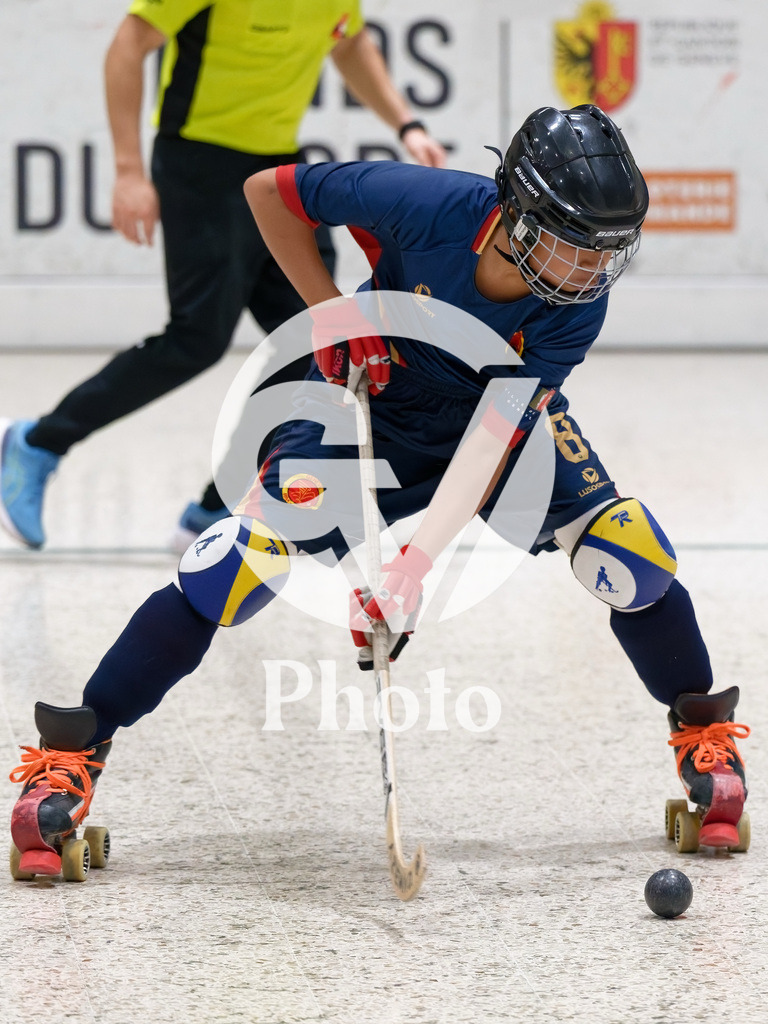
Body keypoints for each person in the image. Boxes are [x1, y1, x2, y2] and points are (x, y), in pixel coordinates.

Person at [8, 105, 750, 882]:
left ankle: (703, 734)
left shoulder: (578, 304)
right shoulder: (425, 204)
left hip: (485, 422)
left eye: (608, 252)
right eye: (576, 246)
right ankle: (73, 752)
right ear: (521, 217)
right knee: (232, 564)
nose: (593, 272)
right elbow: (270, 192)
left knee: (626, 550)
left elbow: (492, 438)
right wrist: (330, 313)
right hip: (364, 393)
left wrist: (411, 567)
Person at [0, 0, 446, 553]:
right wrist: (128, 171)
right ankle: (37, 443)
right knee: (197, 338)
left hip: (277, 165)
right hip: (199, 162)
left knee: (315, 338)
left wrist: (407, 125)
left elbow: (350, 42)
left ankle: (218, 506)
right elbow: (127, 46)